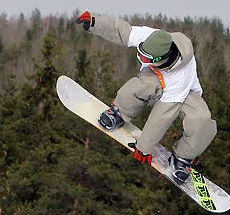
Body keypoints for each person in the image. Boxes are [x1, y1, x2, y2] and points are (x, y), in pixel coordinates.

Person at [75, 11, 217, 183]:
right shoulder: (150, 38)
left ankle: (183, 158)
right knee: (143, 85)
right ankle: (120, 113)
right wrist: (94, 22)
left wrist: (144, 147)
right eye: (140, 53)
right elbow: (122, 31)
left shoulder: (180, 75)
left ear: (161, 59)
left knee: (202, 119)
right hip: (154, 79)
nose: (141, 58)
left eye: (145, 57)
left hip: (184, 94)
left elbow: (162, 116)